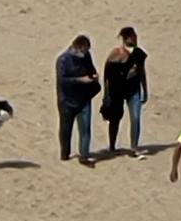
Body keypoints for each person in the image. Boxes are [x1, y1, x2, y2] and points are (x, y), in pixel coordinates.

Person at [100, 27, 148, 158]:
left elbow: (142, 72)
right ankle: (112, 145)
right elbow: (106, 76)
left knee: (136, 118)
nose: (134, 39)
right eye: (132, 37)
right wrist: (106, 94)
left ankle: (134, 147)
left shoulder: (139, 54)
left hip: (133, 91)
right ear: (126, 38)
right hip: (117, 91)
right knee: (115, 119)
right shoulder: (115, 54)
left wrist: (145, 89)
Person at [56, 35, 100, 167]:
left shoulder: (86, 56)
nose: (85, 53)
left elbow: (91, 69)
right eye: (84, 50)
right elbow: (63, 81)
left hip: (84, 99)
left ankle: (84, 156)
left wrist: (94, 76)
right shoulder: (63, 59)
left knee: (85, 128)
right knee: (66, 129)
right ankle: (65, 153)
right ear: (77, 47)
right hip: (66, 101)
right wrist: (81, 80)